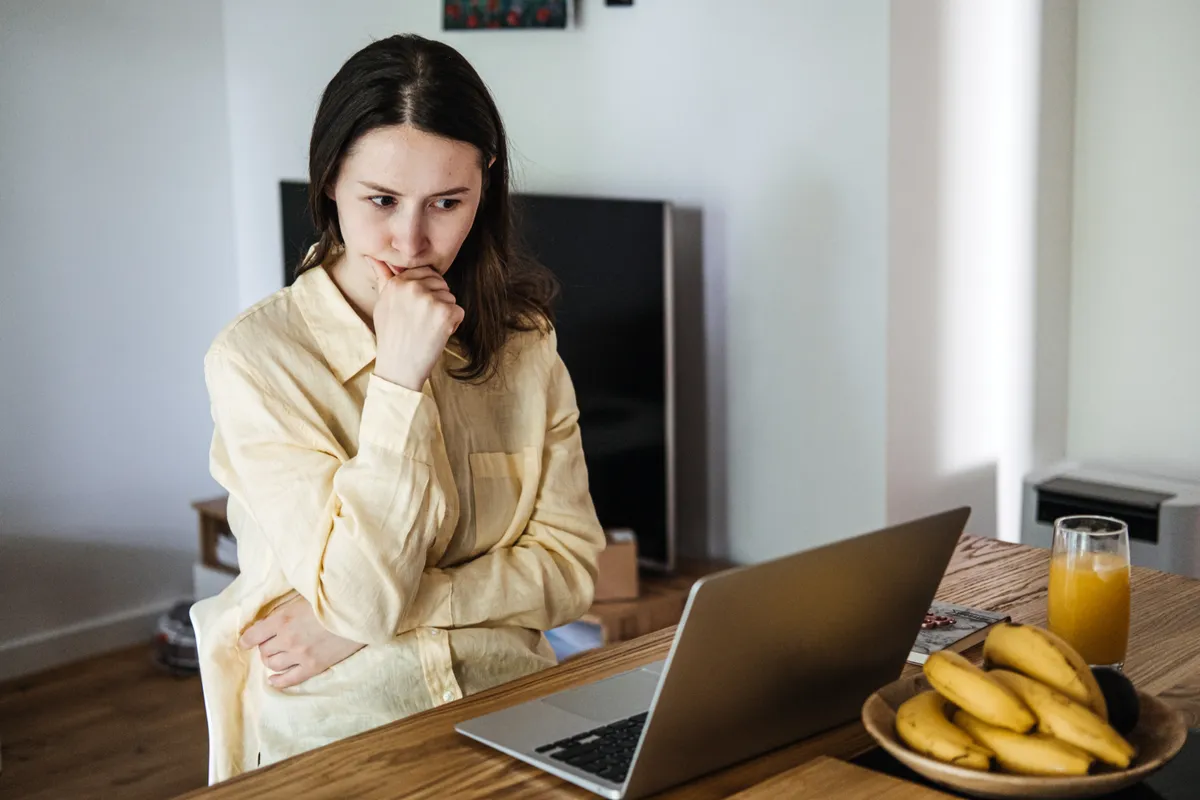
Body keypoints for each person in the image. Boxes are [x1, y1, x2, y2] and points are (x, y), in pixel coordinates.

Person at [190, 33, 605, 783]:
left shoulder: (524, 342)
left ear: (485, 189)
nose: (412, 241)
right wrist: (398, 381)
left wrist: (381, 615)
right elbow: (359, 601)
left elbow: (571, 571)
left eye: (447, 203)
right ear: (330, 183)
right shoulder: (257, 361)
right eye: (381, 200)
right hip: (342, 740)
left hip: (515, 714)